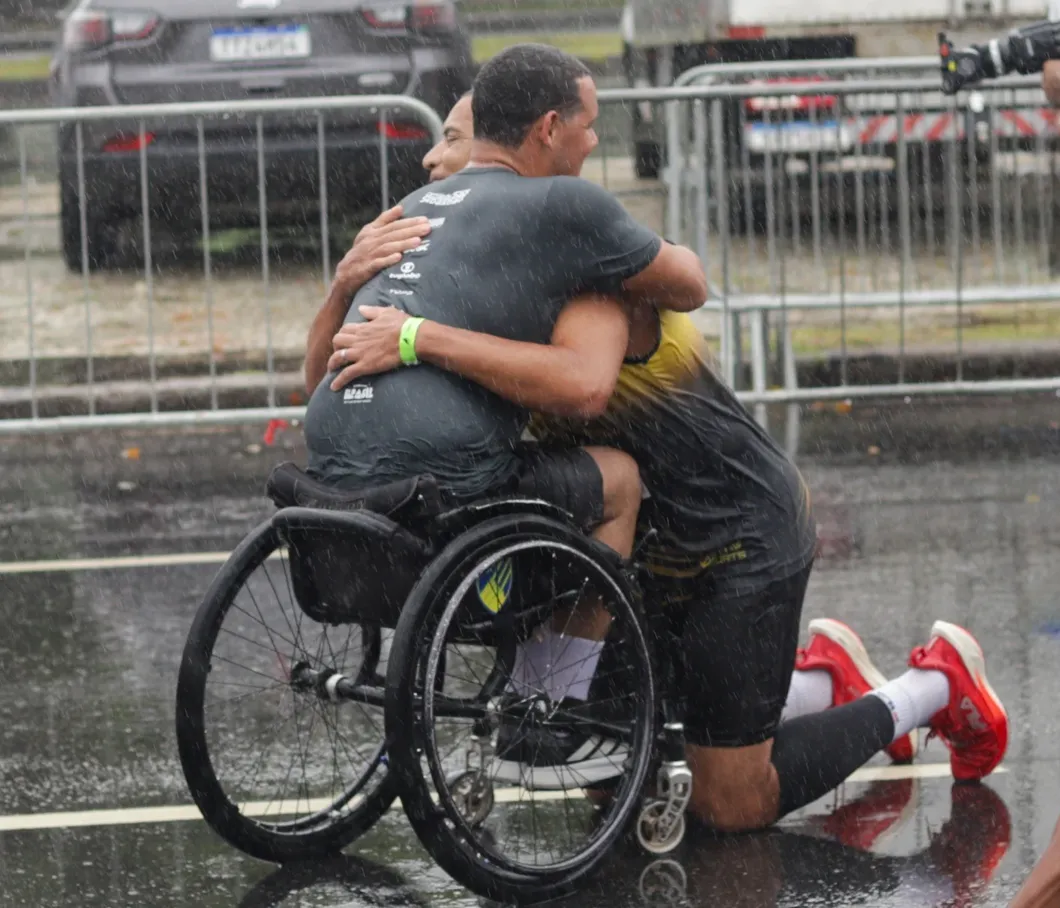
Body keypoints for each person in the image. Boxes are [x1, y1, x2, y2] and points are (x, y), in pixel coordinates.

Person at [321, 83, 1011, 830]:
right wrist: (345, 289)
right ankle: (814, 685)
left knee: (730, 803)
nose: (433, 157)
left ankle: (930, 686)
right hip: (631, 539)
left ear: (515, 149)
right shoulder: (444, 270)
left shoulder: (585, 270)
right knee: (610, 772)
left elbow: (585, 384)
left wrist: (419, 338)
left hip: (732, 532)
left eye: (451, 139)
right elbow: (332, 379)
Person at [302, 44, 708, 785]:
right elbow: (689, 284)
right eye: (590, 125)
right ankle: (545, 703)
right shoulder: (561, 203)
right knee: (615, 481)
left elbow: (312, 383)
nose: (595, 142)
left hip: (331, 477)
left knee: (528, 475)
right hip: (441, 489)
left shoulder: (411, 210)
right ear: (550, 127)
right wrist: (624, 260)